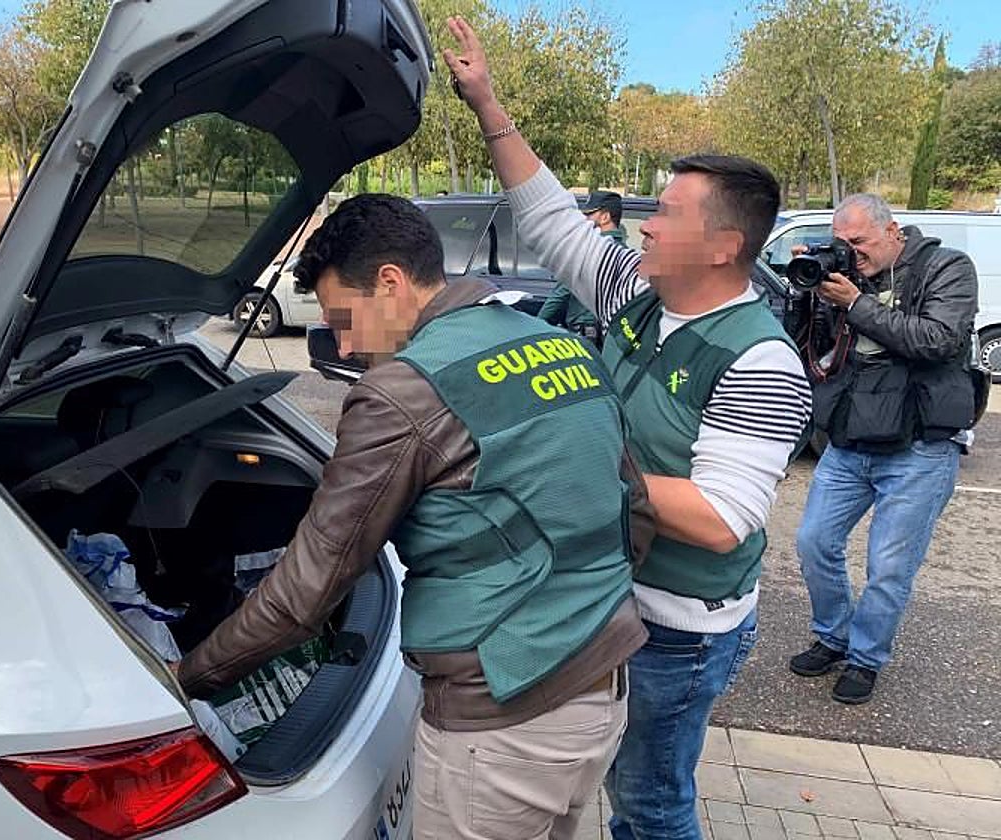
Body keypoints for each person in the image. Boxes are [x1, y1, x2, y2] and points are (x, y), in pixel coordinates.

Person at [176, 193, 656, 839]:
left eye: (343, 317)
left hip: (502, 718)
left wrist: (187, 678)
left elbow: (307, 592)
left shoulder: (403, 390)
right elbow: (635, 508)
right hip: (602, 685)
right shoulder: (557, 344)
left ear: (391, 282)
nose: (342, 344)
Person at [441, 16, 812, 839]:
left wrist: (565, 465)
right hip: (613, 600)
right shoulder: (636, 296)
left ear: (724, 246)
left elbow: (720, 520)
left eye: (669, 213)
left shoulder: (761, 363)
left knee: (650, 804)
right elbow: (548, 217)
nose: (645, 223)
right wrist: (487, 104)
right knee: (614, 782)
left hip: (678, 627)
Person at [789, 193, 978, 705]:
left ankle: (865, 657)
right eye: (841, 243)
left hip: (919, 444)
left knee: (889, 567)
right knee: (813, 543)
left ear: (893, 230)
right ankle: (833, 634)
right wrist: (806, 295)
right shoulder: (847, 278)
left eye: (859, 242)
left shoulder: (947, 268)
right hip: (853, 438)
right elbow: (815, 350)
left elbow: (937, 340)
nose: (851, 252)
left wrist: (856, 303)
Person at [538, 191, 625, 340]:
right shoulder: (625, 253)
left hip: (584, 337)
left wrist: (537, 327)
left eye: (589, 214)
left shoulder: (588, 251)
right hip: (610, 340)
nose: (585, 219)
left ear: (605, 217)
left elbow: (561, 295)